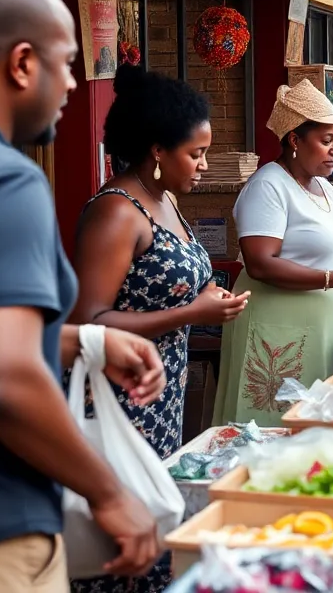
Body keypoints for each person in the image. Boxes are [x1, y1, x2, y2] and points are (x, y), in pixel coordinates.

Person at [0, 0, 165, 591]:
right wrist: (108, 492)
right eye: (67, 63)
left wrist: (81, 342)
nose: (74, 84)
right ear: (22, 64)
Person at [67, 65, 249, 593]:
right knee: (119, 547)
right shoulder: (115, 213)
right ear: (156, 151)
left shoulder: (165, 200)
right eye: (196, 154)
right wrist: (191, 314)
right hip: (116, 403)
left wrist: (204, 302)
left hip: (160, 399)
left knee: (155, 537)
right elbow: (88, 320)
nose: (204, 165)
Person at [214, 81, 333, 426]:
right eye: (325, 141)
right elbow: (260, 263)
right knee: (277, 423)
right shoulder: (268, 186)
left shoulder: (323, 185)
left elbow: (329, 252)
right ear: (295, 140)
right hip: (281, 333)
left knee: (319, 420)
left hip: (324, 328)